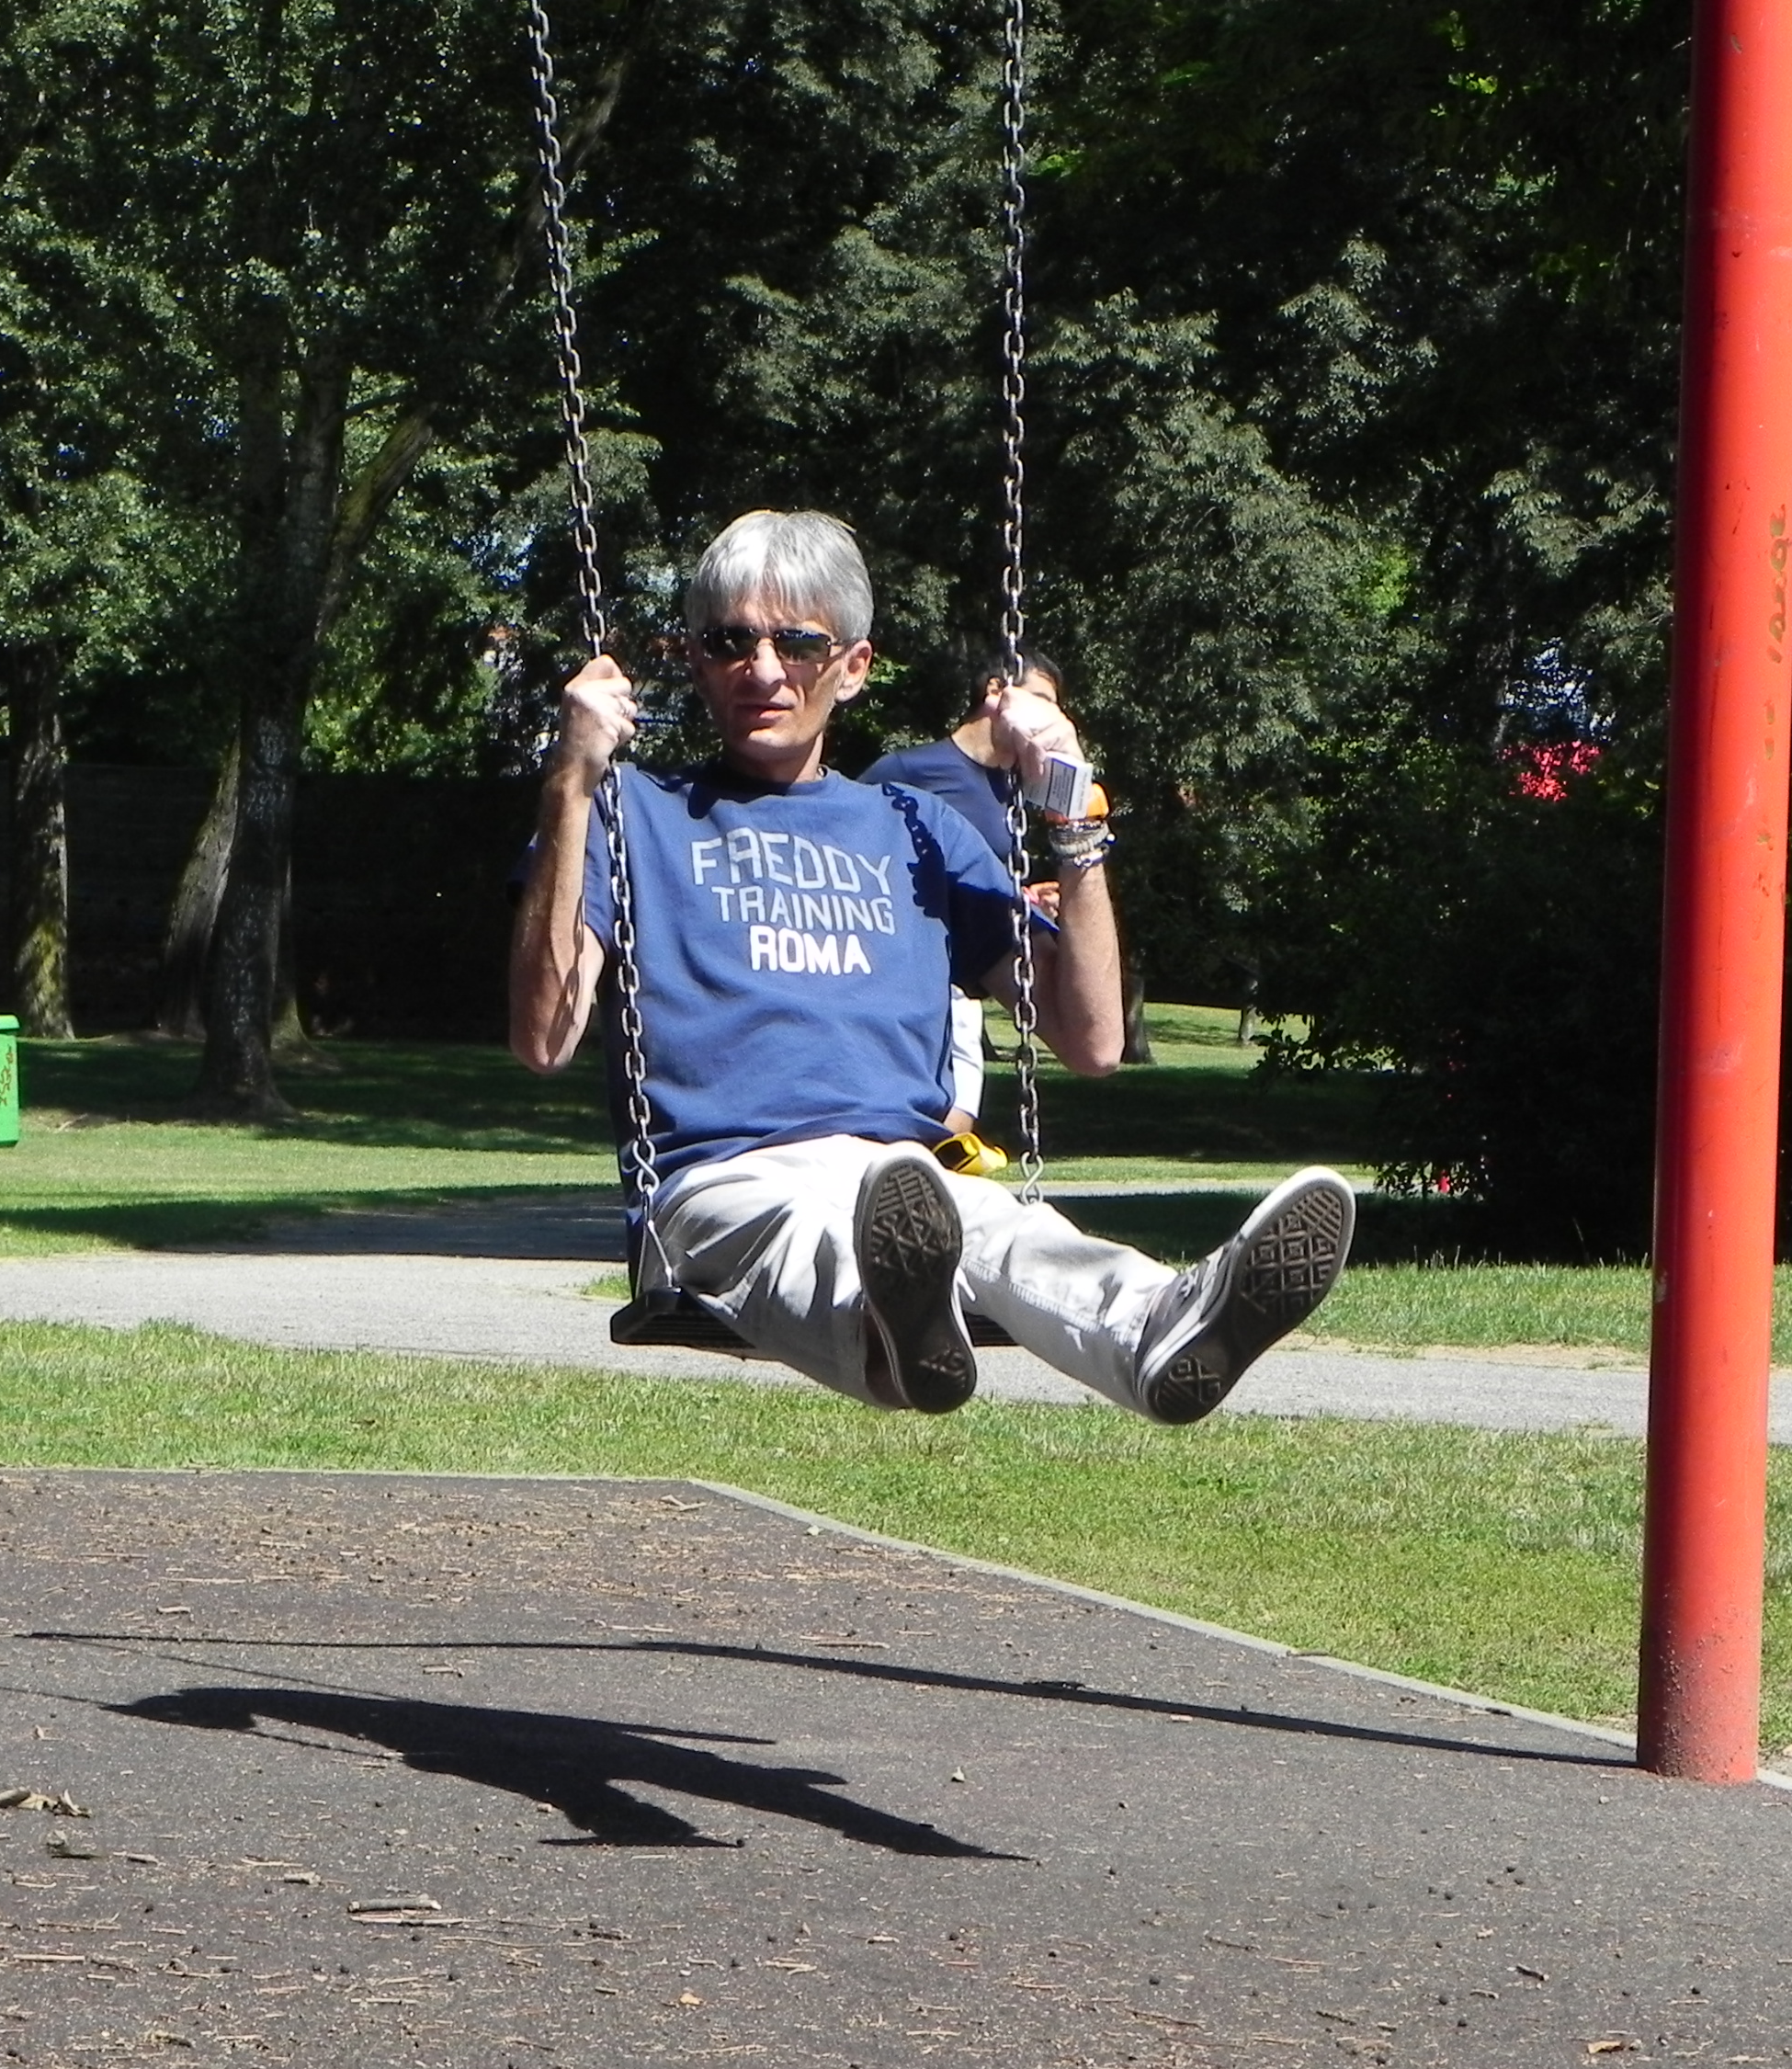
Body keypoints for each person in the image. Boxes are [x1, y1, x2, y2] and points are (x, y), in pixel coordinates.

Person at [509, 509, 1350, 1420]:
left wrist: (1074, 817)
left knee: (1014, 1235)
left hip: (903, 1181)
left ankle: (1160, 1331)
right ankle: (897, 1326)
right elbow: (544, 1037)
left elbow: (1094, 1040)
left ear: (854, 667)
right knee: (815, 1243)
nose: (762, 670)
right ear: (694, 659)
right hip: (725, 1177)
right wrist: (571, 781)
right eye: (729, 642)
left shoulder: (917, 831)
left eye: (797, 643)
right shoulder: (631, 810)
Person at [858, 649, 1087, 1144]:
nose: (1054, 718)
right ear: (995, 691)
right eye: (1042, 700)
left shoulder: (1013, 796)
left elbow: (973, 891)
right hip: (910, 997)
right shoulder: (909, 771)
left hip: (970, 998)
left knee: (947, 1139)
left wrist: (1027, 898)